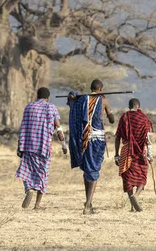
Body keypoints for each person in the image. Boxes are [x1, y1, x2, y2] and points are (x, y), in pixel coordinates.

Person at [16, 87, 67, 210]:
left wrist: (19, 146)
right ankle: (37, 205)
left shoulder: (29, 107)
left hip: (28, 145)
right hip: (43, 147)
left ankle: (28, 188)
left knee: (26, 169)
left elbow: (23, 126)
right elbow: (58, 128)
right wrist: (64, 145)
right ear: (47, 98)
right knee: (42, 173)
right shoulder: (50, 108)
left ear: (37, 96)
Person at [68, 79, 115, 214]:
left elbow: (72, 104)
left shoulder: (82, 100)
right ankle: (88, 204)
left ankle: (88, 201)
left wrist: (72, 96)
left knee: (87, 170)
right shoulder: (103, 100)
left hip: (83, 138)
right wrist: (110, 114)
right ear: (101, 89)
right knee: (93, 169)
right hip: (97, 139)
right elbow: (111, 119)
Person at [114, 98, 154, 212]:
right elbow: (147, 139)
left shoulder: (125, 117)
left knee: (128, 177)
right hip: (141, 152)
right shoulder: (144, 118)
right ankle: (135, 197)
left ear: (129, 106)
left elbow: (117, 136)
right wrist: (150, 155)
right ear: (139, 106)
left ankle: (133, 201)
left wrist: (116, 155)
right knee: (142, 177)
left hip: (127, 151)